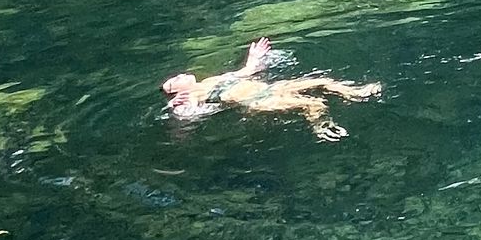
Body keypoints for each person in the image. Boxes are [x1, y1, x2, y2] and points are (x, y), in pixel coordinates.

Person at [162, 37, 382, 142]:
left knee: (322, 81)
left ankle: (357, 93)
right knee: (313, 104)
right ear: (176, 92)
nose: (179, 75)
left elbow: (248, 71)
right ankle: (322, 129)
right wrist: (180, 111)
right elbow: (184, 121)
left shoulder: (213, 79)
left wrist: (255, 59)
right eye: (175, 81)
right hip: (258, 100)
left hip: (271, 87)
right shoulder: (187, 98)